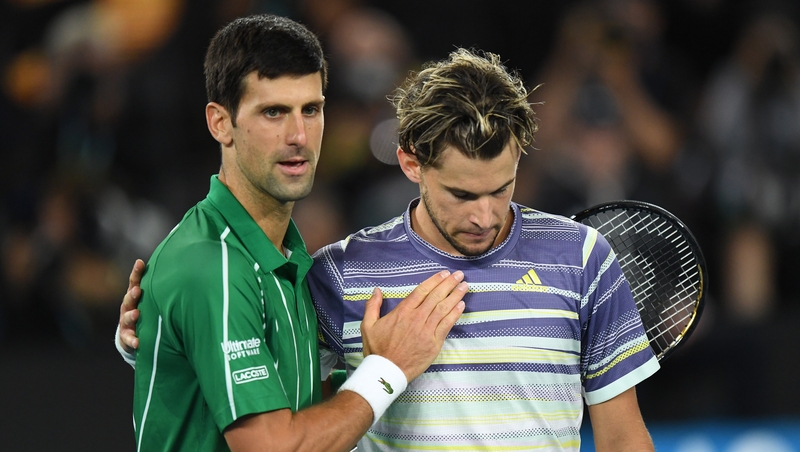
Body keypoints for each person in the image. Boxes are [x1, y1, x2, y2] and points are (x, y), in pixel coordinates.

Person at [120, 46, 659, 450]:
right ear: (410, 163)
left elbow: (623, 439)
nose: (485, 216)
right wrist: (161, 329)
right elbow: (274, 406)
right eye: (462, 194)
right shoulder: (338, 275)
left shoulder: (582, 258)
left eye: (502, 188)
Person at [115, 14, 467, 452]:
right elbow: (275, 447)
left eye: (311, 110)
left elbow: (301, 412)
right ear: (220, 123)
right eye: (273, 112)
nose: (299, 135)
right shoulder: (212, 268)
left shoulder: (282, 259)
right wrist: (387, 369)